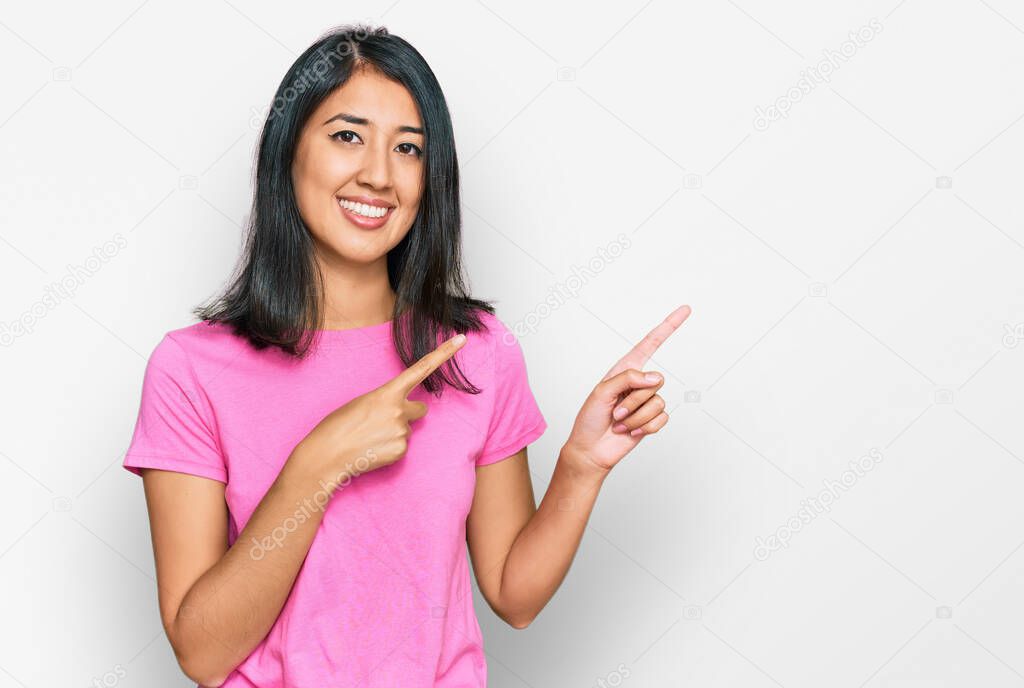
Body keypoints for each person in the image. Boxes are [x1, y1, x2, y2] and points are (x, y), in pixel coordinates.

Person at [122, 23, 691, 687]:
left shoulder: (475, 354)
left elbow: (515, 595)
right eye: (346, 136)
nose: (378, 175)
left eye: (410, 149)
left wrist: (581, 466)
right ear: (287, 153)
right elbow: (202, 652)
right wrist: (320, 463)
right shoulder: (190, 371)